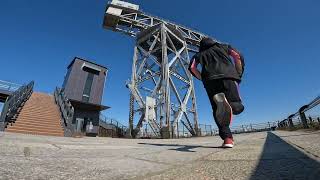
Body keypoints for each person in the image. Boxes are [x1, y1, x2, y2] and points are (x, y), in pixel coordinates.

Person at [188, 37, 245, 148]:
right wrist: (238, 73)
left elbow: (192, 67)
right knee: (237, 106)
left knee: (218, 110)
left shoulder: (199, 55)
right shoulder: (224, 46)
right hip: (229, 77)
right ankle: (232, 106)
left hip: (210, 82)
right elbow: (238, 56)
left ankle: (228, 139)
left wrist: (203, 78)